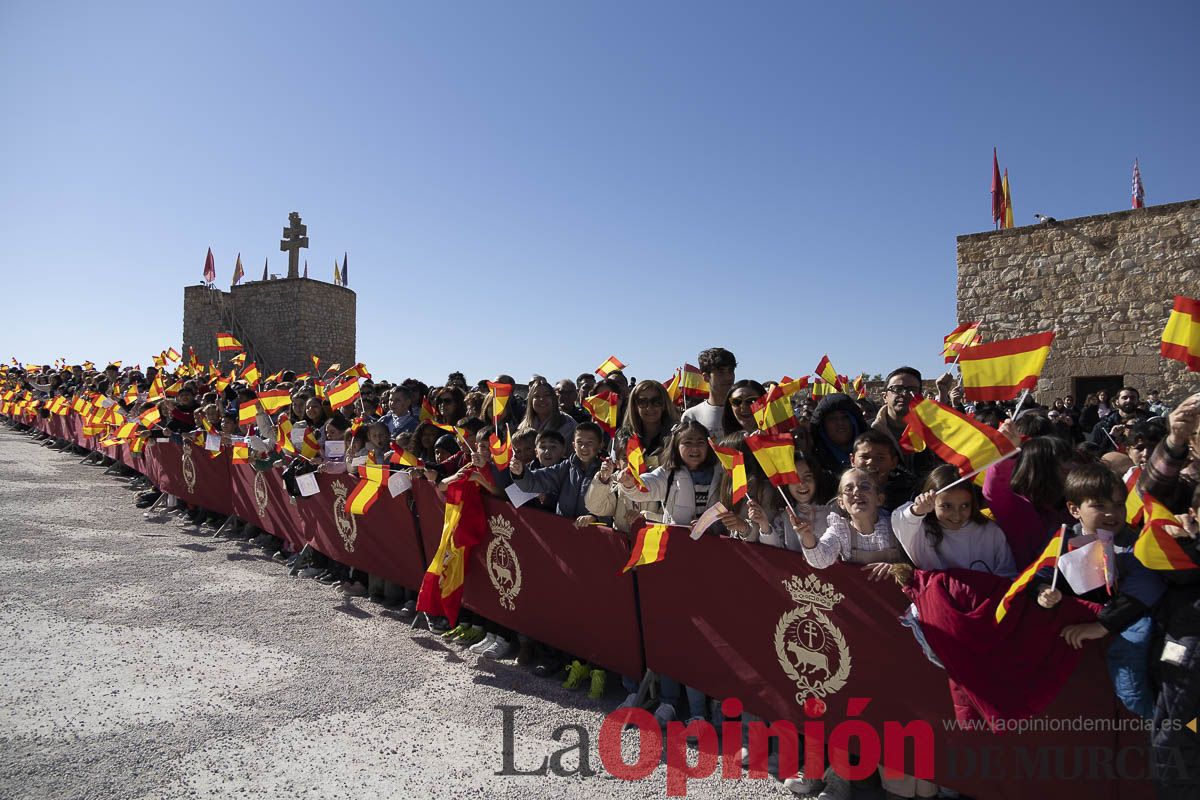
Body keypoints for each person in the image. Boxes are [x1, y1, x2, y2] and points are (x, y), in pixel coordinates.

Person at [1035, 463, 1165, 722]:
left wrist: (1102, 626)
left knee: (1135, 645)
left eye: (1118, 505)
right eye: (1099, 506)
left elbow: (1147, 586)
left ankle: (1164, 723)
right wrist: (1043, 593)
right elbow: (1041, 574)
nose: (1111, 514)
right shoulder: (1062, 539)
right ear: (1074, 509)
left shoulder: (1136, 543)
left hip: (1128, 627)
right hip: (1080, 675)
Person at [892, 465, 1016, 576]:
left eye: (964, 506)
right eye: (947, 506)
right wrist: (917, 510)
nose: (957, 515)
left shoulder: (990, 531)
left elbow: (1007, 573)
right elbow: (901, 520)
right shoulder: (920, 530)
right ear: (932, 503)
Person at [510, 422, 608, 525]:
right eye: (579, 442)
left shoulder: (607, 471)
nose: (584, 447)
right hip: (563, 529)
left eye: (590, 442)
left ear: (600, 445)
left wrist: (594, 517)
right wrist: (520, 473)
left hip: (592, 531)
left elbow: (612, 506)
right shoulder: (566, 467)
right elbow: (534, 481)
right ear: (574, 445)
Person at [871, 367, 939, 481]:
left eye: (912, 390)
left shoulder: (933, 431)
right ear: (885, 396)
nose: (904, 394)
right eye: (897, 389)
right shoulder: (868, 431)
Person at [810, 392, 868, 480]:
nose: (840, 423)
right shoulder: (812, 464)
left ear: (854, 422)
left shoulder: (874, 453)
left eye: (845, 417)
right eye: (832, 418)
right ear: (822, 426)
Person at [680, 347, 736, 437]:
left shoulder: (744, 411)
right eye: (721, 372)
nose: (728, 377)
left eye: (731, 371)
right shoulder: (691, 416)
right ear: (706, 377)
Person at [1089, 387, 1150, 455]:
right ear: (1117, 402)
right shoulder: (1102, 426)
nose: (1129, 400)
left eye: (1132, 398)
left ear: (1138, 401)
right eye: (1124, 398)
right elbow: (1094, 453)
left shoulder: (1149, 422)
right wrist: (1111, 436)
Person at [516, 379, 576, 443]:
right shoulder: (524, 425)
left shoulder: (568, 423)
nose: (541, 399)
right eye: (536, 396)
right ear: (531, 401)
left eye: (546, 395)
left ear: (553, 399)